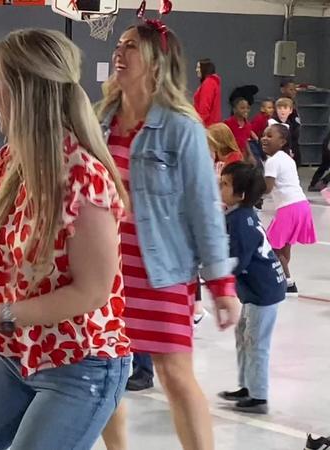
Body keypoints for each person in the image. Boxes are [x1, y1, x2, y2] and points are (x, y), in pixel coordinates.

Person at [0, 28, 131, 450]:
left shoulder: (83, 179)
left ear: (28, 90)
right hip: (19, 354)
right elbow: (4, 221)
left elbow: (92, 291)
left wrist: (0, 314)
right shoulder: (23, 158)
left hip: (81, 365)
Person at [97, 23, 240, 450]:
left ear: (157, 64)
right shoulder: (98, 119)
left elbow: (204, 209)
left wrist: (221, 285)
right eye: (119, 45)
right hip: (103, 273)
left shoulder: (183, 127)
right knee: (106, 374)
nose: (120, 53)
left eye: (132, 48)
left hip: (159, 272)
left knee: (175, 376)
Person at [217, 162, 286, 415]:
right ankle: (247, 386)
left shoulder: (241, 220)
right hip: (254, 290)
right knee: (243, 336)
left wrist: (214, 275)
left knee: (256, 342)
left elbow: (238, 260)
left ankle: (259, 396)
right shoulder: (237, 215)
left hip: (263, 291)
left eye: (225, 184)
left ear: (242, 195)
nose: (220, 187)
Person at [262, 124, 316, 296]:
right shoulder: (287, 158)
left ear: (282, 141)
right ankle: (283, 278)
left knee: (272, 246)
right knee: (284, 247)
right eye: (264, 135)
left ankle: (288, 283)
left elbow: (267, 188)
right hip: (302, 205)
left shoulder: (273, 161)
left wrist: (247, 192)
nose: (264, 138)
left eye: (270, 136)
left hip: (289, 208)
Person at [268, 97, 301, 164]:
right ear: (276, 110)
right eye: (279, 108)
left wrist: (289, 151)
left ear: (290, 110)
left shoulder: (289, 124)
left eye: (285, 108)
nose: (282, 110)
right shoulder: (271, 122)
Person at [193, 58, 222, 126]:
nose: (196, 70)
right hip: (211, 125)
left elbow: (204, 108)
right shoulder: (212, 82)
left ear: (205, 68)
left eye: (199, 67)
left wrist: (198, 125)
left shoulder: (208, 83)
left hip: (207, 127)